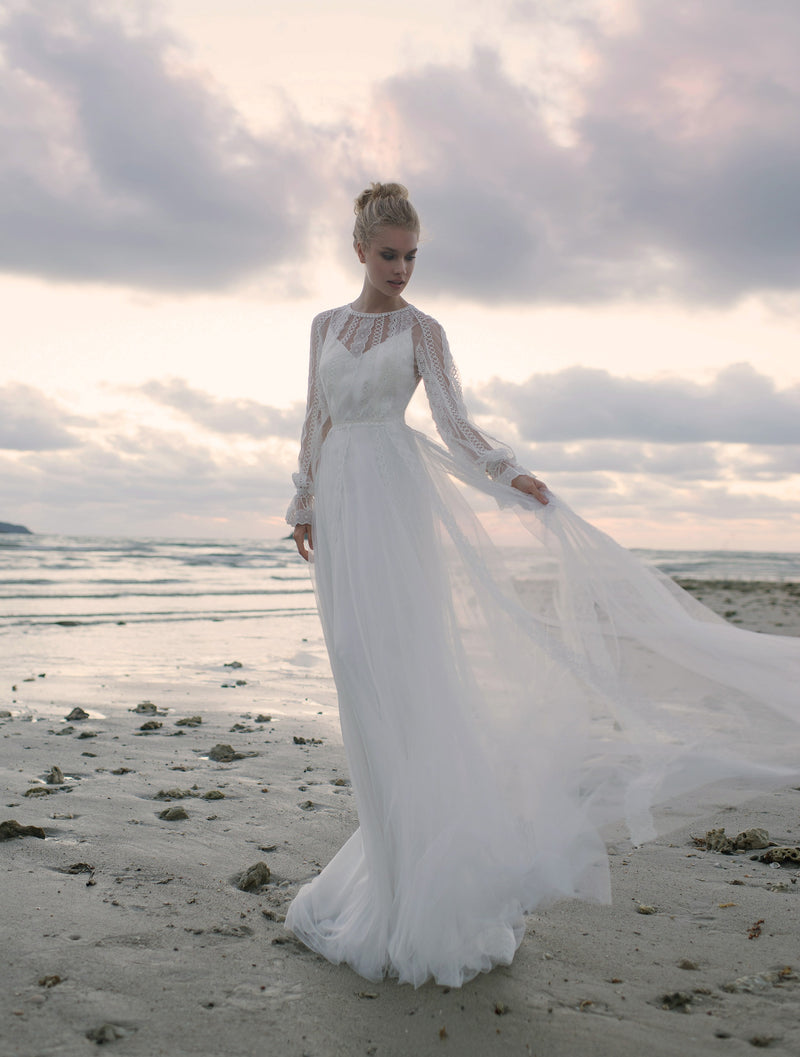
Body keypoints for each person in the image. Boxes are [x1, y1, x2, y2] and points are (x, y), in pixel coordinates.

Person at [284, 182, 800, 988]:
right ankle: (386, 868)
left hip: (395, 496)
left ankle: (416, 890)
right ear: (359, 249)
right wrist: (303, 500)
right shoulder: (323, 325)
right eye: (389, 253)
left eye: (413, 254)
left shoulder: (425, 331)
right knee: (356, 666)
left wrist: (509, 471)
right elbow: (315, 415)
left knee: (406, 678)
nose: (402, 268)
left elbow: (453, 422)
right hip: (343, 507)